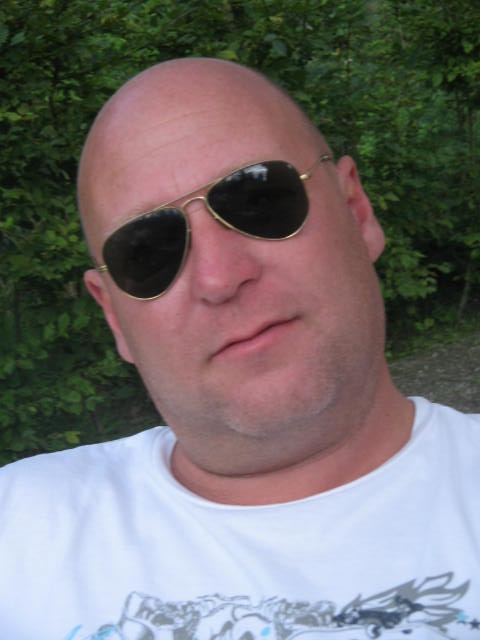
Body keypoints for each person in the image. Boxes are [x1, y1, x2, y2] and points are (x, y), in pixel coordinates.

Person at [0, 58, 479, 640]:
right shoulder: (16, 529)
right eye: (147, 251)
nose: (220, 278)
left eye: (258, 201)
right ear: (114, 317)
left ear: (357, 212)